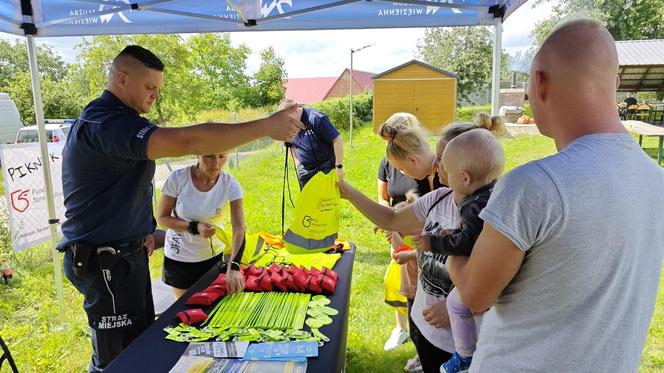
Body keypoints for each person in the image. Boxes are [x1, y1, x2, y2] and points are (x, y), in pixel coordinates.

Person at [59, 45, 303, 372]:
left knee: (138, 346)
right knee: (117, 361)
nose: (156, 96)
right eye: (149, 87)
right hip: (105, 261)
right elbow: (190, 141)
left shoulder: (116, 121)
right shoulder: (109, 124)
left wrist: (147, 232)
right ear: (121, 79)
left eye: (159, 89)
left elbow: (114, 192)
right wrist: (265, 127)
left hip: (122, 258)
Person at [447, 20, 664, 372]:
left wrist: (448, 247)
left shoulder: (533, 185)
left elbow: (473, 296)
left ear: (540, 83)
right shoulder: (657, 180)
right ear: (616, 84)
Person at [339, 122, 483, 373]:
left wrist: (456, 308)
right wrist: (349, 193)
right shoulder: (439, 198)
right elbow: (391, 219)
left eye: (441, 158)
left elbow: (495, 275)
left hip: (461, 342)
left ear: (464, 168)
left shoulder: (486, 212)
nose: (435, 164)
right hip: (426, 325)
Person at [414, 129, 504, 373]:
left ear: (464, 177)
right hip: (432, 329)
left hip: (474, 284)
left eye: (445, 165)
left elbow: (465, 243)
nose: (437, 167)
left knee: (456, 303)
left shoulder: (473, 207)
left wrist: (434, 243)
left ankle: (464, 355)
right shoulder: (493, 193)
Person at [156, 152, 245, 299]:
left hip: (212, 257)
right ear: (198, 154)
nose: (216, 164)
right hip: (180, 258)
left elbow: (239, 228)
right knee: (184, 311)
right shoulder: (178, 178)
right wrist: (194, 227)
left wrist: (234, 265)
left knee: (211, 312)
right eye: (209, 156)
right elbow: (162, 217)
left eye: (222, 157)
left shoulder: (230, 184)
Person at [278, 101, 344, 188]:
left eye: (288, 118)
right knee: (309, 200)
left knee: (327, 199)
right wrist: (298, 164)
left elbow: (337, 139)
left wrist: (339, 166)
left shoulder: (316, 118)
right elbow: (291, 146)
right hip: (304, 170)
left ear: (296, 110)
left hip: (325, 167)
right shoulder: (287, 125)